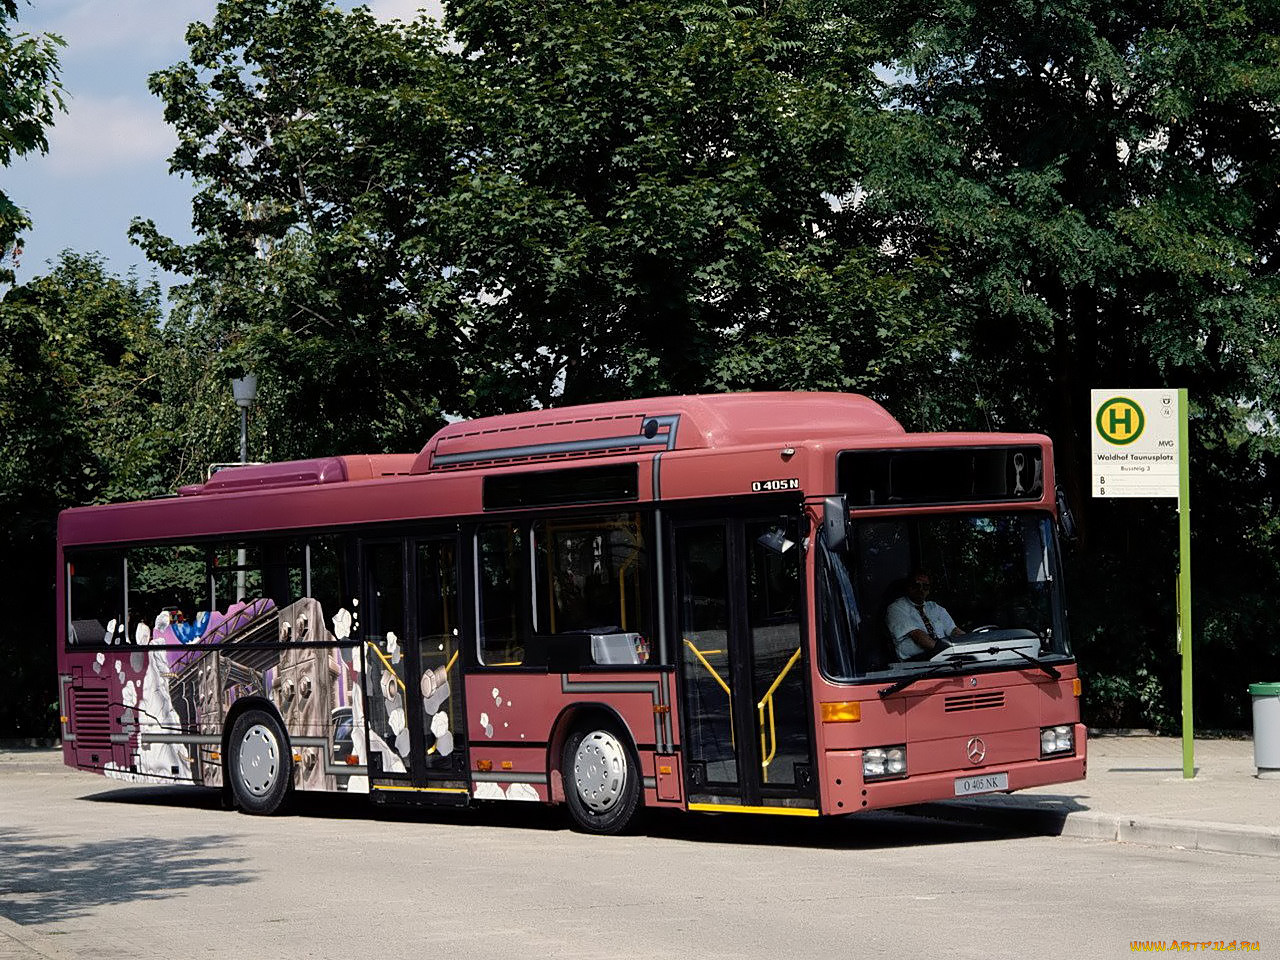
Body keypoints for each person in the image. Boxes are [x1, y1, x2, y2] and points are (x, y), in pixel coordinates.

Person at [886, 569, 964, 660]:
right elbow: (918, 636)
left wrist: (967, 645)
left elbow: (954, 630)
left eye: (925, 586)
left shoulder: (935, 607)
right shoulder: (897, 608)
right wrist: (947, 653)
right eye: (916, 585)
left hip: (942, 656)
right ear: (909, 587)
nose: (921, 589)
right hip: (915, 663)